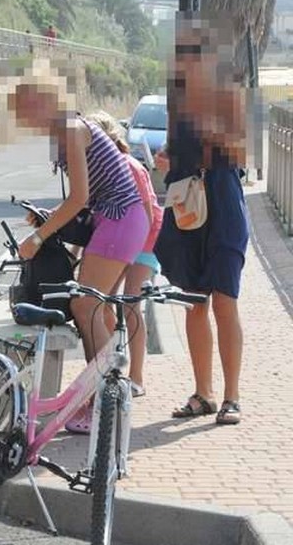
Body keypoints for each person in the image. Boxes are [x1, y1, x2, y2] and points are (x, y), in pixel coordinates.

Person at [7, 59, 149, 434]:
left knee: (85, 305)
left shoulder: (71, 128)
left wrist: (38, 238)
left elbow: (80, 198)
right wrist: (47, 220)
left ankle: (103, 401)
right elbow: (81, 200)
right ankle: (99, 399)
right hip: (120, 220)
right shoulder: (70, 127)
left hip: (118, 218)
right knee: (92, 309)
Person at [154, 14, 248, 425]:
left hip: (224, 204)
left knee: (225, 302)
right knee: (195, 304)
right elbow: (175, 153)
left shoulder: (229, 96)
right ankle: (202, 393)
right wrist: (166, 159)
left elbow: (242, 156)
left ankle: (232, 396)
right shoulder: (177, 103)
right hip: (188, 208)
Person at [87, 111, 164, 398]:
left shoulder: (129, 166)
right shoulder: (100, 169)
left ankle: (138, 376)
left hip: (147, 240)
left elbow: (146, 211)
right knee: (104, 303)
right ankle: (112, 364)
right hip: (127, 240)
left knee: (131, 303)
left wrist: (132, 252)